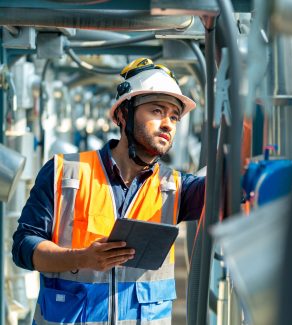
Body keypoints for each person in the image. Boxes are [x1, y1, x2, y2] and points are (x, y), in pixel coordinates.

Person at [12, 58, 205, 325]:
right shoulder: (64, 172)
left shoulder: (176, 186)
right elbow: (23, 247)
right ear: (122, 115)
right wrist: (82, 258)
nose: (168, 124)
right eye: (157, 111)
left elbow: (231, 190)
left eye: (174, 116)